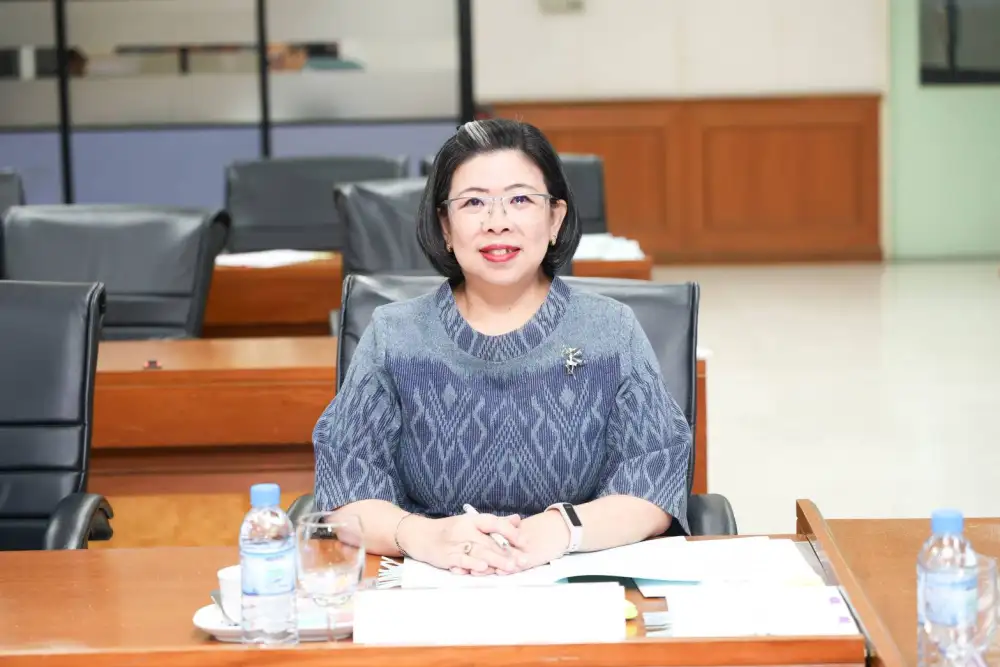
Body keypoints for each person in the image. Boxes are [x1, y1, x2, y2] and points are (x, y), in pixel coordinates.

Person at [312, 119, 692, 577]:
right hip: (431, 581)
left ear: (555, 218)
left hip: (574, 575)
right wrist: (423, 535)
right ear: (445, 225)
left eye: (520, 200)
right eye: (474, 202)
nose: (497, 222)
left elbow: (654, 478)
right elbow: (344, 487)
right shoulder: (394, 335)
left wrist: (562, 529)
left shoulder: (610, 330)